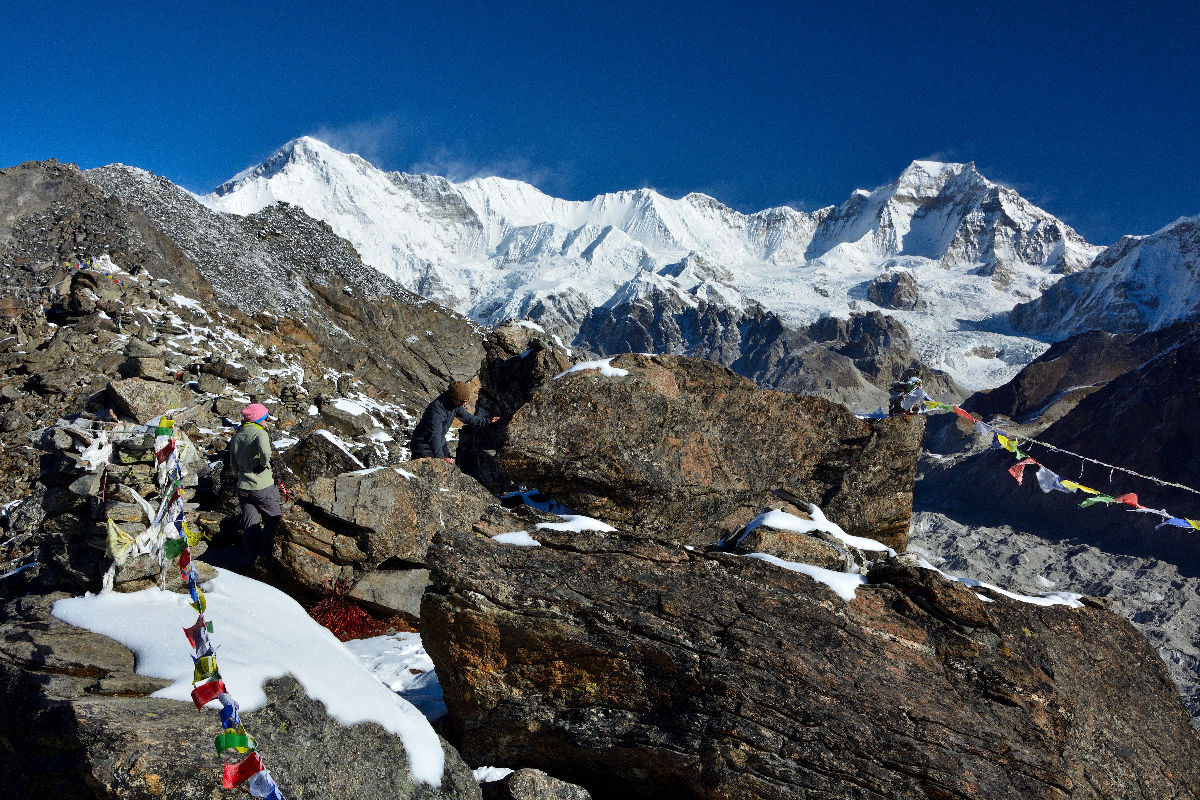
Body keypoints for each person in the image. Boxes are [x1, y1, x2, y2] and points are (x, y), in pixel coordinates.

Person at [229, 402, 281, 561]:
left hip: (243, 486)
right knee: (274, 518)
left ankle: (249, 557)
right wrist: (263, 465)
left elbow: (232, 463)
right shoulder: (260, 434)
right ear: (258, 419)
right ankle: (265, 554)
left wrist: (243, 474)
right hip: (262, 485)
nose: (267, 421)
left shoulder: (237, 435)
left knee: (250, 523)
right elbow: (266, 452)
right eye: (266, 418)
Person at [409, 381, 500, 462]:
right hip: (423, 446)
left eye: (466, 401)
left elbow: (468, 418)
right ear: (453, 397)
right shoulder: (436, 411)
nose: (464, 404)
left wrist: (488, 421)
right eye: (462, 401)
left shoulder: (455, 404)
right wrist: (440, 458)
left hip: (439, 442)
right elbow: (434, 435)